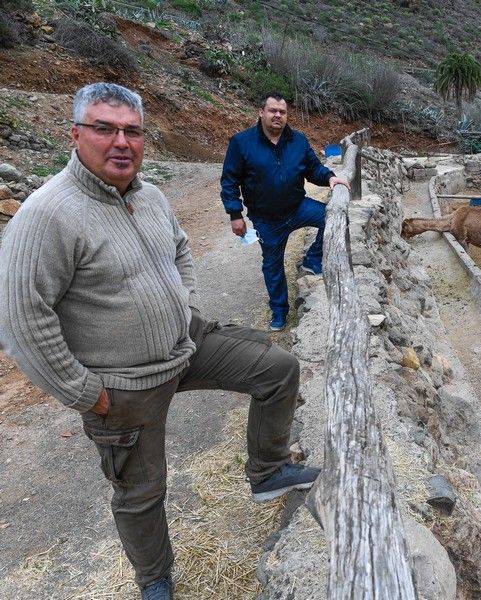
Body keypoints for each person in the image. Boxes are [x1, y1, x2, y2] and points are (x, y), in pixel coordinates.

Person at [0, 82, 320, 600]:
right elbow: (20, 320)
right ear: (75, 135)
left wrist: (187, 309)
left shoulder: (148, 196)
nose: (120, 141)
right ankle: (155, 579)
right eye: (104, 129)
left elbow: (180, 252)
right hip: (123, 383)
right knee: (141, 491)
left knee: (277, 368)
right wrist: (86, 393)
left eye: (132, 131)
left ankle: (268, 470)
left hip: (185, 345)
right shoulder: (47, 215)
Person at [220, 92, 349, 331]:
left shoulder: (298, 140)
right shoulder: (241, 142)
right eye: (273, 111)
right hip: (266, 219)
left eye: (282, 112)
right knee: (272, 265)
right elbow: (229, 181)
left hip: (297, 207)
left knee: (332, 217)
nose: (278, 115)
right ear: (261, 112)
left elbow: (313, 169)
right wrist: (235, 215)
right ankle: (280, 311)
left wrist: (330, 178)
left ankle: (312, 259)